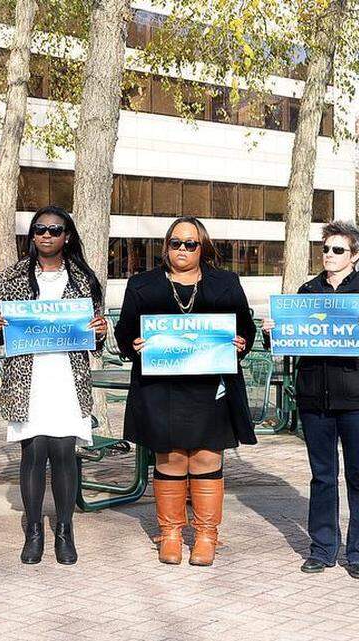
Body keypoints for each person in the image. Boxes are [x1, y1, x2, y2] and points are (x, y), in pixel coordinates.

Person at [114, 216, 256, 567]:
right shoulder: (142, 285)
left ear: (202, 247)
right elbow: (123, 335)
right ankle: (172, 534)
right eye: (176, 243)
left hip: (211, 390)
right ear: (166, 246)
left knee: (207, 458)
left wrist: (241, 343)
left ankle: (206, 536)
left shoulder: (226, 283)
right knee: (171, 459)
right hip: (162, 389)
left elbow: (245, 329)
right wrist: (134, 344)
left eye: (190, 244)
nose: (182, 249)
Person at [260, 221, 359, 580]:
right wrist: (270, 333)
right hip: (314, 400)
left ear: (354, 255)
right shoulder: (308, 291)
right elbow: (287, 345)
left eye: (338, 250)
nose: (330, 255)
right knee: (322, 477)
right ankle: (322, 550)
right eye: (326, 249)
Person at [0, 206, 108, 565]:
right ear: (32, 235)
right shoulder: (11, 278)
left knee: (64, 450)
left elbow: (95, 336)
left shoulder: (84, 279)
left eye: (55, 230)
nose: (47, 236)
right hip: (29, 376)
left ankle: (65, 529)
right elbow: (0, 337)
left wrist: (100, 333)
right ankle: (34, 529)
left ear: (67, 236)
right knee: (34, 450)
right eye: (40, 229)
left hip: (68, 377)